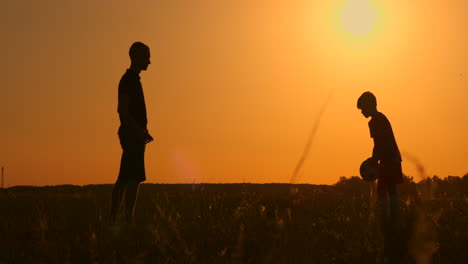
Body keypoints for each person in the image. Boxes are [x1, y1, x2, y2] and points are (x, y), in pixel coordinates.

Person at [110, 42, 154, 224]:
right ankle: (123, 219)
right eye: (147, 57)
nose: (150, 62)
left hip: (135, 134)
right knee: (130, 178)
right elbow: (122, 110)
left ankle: (120, 219)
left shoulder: (133, 80)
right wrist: (137, 131)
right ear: (137, 57)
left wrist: (142, 131)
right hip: (131, 135)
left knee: (129, 177)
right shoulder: (128, 80)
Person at [357, 91, 403, 262]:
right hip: (391, 157)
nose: (361, 112)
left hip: (388, 159)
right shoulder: (381, 118)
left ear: (369, 105)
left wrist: (373, 161)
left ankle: (388, 220)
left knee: (384, 190)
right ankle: (393, 219)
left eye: (362, 108)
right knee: (390, 190)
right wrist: (375, 159)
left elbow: (379, 144)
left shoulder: (375, 121)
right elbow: (380, 143)